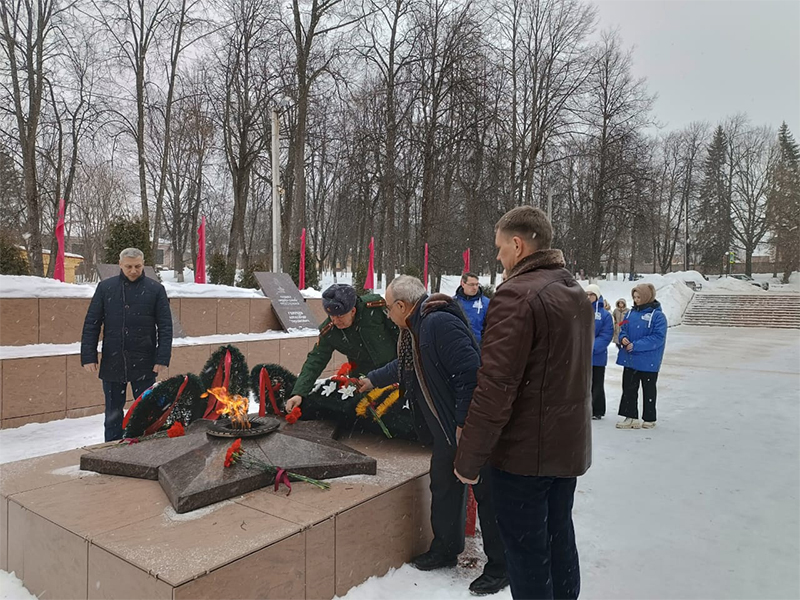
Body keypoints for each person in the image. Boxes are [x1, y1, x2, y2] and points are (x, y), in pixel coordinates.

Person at [453, 206, 593, 600]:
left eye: (500, 248)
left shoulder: (517, 295)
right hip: (563, 450)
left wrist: (469, 458)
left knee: (528, 555)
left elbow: (496, 386)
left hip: (525, 455)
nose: (497, 257)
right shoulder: (572, 290)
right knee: (558, 539)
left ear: (518, 244)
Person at [357, 276, 509, 596]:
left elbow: (470, 373)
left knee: (486, 493)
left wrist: (464, 423)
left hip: (466, 429)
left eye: (388, 308)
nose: (388, 314)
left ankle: (501, 566)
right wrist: (373, 380)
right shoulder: (417, 327)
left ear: (402, 306)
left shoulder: (438, 323)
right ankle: (444, 549)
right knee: (444, 485)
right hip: (446, 431)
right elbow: (406, 365)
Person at [81, 248, 173, 442]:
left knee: (146, 411)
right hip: (113, 360)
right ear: (120, 264)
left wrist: (162, 358)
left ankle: (144, 449)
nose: (133, 271)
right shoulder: (106, 288)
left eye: (138, 266)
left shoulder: (155, 289)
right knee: (112, 414)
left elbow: (165, 326)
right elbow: (92, 323)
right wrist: (88, 356)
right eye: (129, 266)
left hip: (145, 361)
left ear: (144, 264)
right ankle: (112, 450)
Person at [285, 284, 398, 414]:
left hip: (394, 372)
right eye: (331, 316)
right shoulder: (329, 331)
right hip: (364, 383)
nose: (335, 321)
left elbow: (399, 331)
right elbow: (315, 361)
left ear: (353, 311)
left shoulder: (374, 309)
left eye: (340, 316)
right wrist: (299, 393)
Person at [616, 283, 668, 430]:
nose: (636, 300)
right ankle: (630, 416)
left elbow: (658, 337)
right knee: (629, 388)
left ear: (646, 297)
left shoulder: (658, 316)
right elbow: (623, 327)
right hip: (630, 359)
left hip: (648, 360)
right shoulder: (630, 314)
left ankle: (649, 418)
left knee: (649, 389)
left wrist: (636, 345)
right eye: (634, 297)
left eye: (639, 297)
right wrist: (623, 337)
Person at [586, 284, 613, 420]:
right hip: (581, 357)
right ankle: (583, 409)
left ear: (597, 296)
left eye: (592, 294)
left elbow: (606, 334)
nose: (589, 297)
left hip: (597, 356)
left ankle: (597, 409)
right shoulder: (579, 311)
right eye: (586, 294)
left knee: (596, 384)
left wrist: (591, 347)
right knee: (582, 384)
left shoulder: (604, 315)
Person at [454, 271, 490, 344]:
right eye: (472, 284)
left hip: (479, 346)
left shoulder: (486, 303)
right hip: (458, 344)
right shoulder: (454, 302)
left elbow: (490, 326)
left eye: (477, 284)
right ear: (463, 284)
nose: (475, 288)